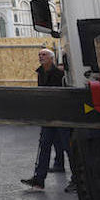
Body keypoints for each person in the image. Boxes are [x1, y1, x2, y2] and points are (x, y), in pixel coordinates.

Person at [21, 49, 71, 190]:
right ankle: (39, 179)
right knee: (44, 146)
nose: (40, 57)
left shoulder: (60, 74)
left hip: (61, 116)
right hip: (48, 116)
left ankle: (77, 179)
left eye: (44, 55)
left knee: (68, 147)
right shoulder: (41, 72)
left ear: (51, 58)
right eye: (39, 55)